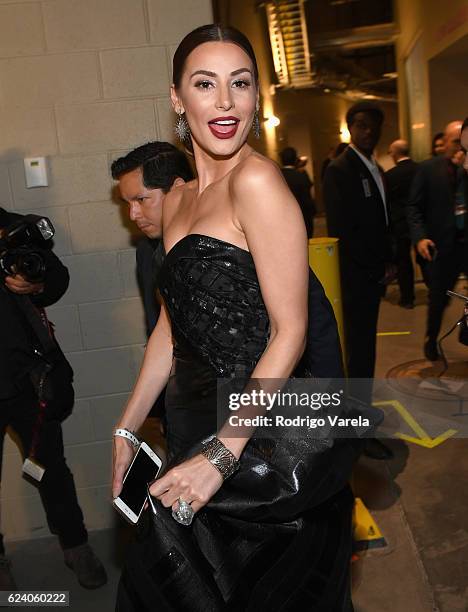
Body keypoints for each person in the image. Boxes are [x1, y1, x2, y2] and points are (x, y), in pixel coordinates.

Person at [113, 24, 364, 611]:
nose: (225, 103)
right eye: (206, 84)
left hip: (264, 442)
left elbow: (292, 331)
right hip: (193, 427)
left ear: (255, 95)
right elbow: (168, 332)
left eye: (240, 84)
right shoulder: (176, 200)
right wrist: (128, 428)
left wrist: (222, 454)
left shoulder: (258, 182)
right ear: (178, 98)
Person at [0, 208, 107, 590]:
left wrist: (34, 286)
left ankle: (76, 546)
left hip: (27, 378)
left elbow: (57, 279)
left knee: (51, 469)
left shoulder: (14, 227)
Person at [323, 101, 394, 460]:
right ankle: (357, 435)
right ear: (351, 128)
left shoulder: (376, 168)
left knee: (366, 356)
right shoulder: (341, 170)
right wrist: (374, 266)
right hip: (356, 279)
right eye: (362, 125)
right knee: (358, 357)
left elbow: (382, 222)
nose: (368, 132)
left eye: (374, 126)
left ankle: (361, 426)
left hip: (373, 276)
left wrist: (389, 260)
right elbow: (344, 232)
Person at [111, 142, 193, 339]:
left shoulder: (225, 239)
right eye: (128, 204)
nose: (133, 214)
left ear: (178, 190)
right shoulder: (147, 252)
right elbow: (156, 327)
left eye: (141, 200)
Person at [407, 120, 467, 361]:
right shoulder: (428, 170)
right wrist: (420, 238)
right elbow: (413, 207)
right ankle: (431, 339)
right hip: (443, 247)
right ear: (444, 145)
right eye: (456, 142)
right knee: (439, 299)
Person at [386, 139, 419, 308]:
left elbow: (388, 202)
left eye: (391, 152)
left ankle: (408, 298)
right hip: (420, 221)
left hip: (400, 223)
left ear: (397, 153)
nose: (390, 155)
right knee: (425, 258)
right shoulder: (420, 170)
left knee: (403, 261)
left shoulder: (391, 175)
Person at [279, 146, 316, 238]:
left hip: (281, 220)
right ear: (295, 159)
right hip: (301, 219)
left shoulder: (276, 176)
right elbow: (307, 199)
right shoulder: (300, 176)